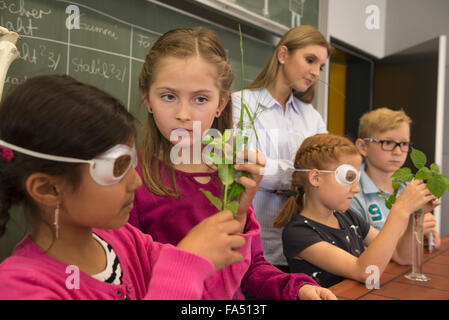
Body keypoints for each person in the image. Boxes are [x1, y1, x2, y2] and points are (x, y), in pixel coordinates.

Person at [129, 27, 336, 300]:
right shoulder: (132, 182)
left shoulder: (230, 178)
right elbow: (130, 279)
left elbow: (250, 268)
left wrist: (298, 289)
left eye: (200, 99)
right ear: (147, 98)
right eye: (168, 96)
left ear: (221, 104)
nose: (182, 114)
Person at [0, 75, 249, 300]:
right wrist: (182, 267)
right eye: (117, 167)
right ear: (48, 189)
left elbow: (206, 293)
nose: (137, 181)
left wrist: (237, 211)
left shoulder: (126, 242)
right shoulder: (21, 288)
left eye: (132, 161)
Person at [274, 133, 440, 288]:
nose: (356, 189)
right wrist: (400, 209)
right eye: (349, 178)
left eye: (357, 180)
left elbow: (401, 256)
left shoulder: (348, 217)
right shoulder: (299, 233)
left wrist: (414, 216)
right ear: (316, 178)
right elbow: (366, 272)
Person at [231, 25, 331, 270]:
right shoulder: (241, 103)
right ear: (283, 55)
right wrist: (299, 176)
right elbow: (243, 166)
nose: (315, 72)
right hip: (252, 248)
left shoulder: (312, 118)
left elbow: (326, 174)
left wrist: (271, 172)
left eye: (321, 66)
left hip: (303, 250)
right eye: (310, 60)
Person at [350, 107, 441, 249]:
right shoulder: (351, 193)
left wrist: (427, 235)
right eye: (387, 143)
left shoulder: (411, 185)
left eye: (403, 144)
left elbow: (416, 240)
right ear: (363, 146)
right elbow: (368, 250)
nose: (398, 152)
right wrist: (414, 228)